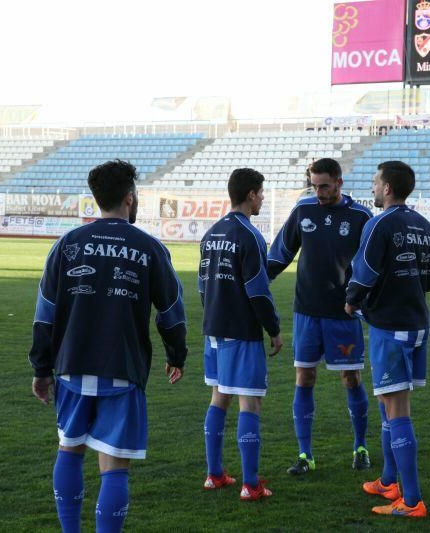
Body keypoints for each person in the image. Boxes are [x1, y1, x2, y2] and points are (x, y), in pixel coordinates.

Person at [28, 160, 188, 532]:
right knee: (114, 464)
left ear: (97, 198)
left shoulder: (67, 244)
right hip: (122, 368)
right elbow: (171, 313)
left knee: (69, 449)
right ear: (130, 198)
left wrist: (40, 368)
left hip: (71, 367)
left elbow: (44, 315)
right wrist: (176, 354)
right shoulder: (149, 247)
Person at [344, 161, 430, 518]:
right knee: (391, 404)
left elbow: (364, 273)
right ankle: (389, 479)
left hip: (390, 326)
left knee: (397, 408)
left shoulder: (379, 224)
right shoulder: (425, 225)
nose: (373, 188)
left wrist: (352, 300)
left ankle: (413, 500)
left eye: (375, 182)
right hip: (418, 324)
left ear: (387, 188)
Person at [266, 158, 373, 475]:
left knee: (351, 378)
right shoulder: (304, 210)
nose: (319, 192)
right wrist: (255, 287)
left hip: (344, 314)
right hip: (307, 313)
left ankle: (360, 447)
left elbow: (371, 265)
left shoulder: (360, 216)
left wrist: (364, 301)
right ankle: (304, 455)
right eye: (315, 186)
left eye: (325, 186)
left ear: (340, 182)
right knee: (304, 377)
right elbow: (280, 254)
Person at [198, 167, 283, 501]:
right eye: (261, 193)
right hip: (241, 331)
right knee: (250, 401)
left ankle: (214, 475)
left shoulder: (211, 233)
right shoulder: (249, 236)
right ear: (250, 194)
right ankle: (250, 484)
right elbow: (258, 292)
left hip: (213, 330)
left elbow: (203, 286)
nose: (262, 198)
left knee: (220, 395)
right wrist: (273, 330)